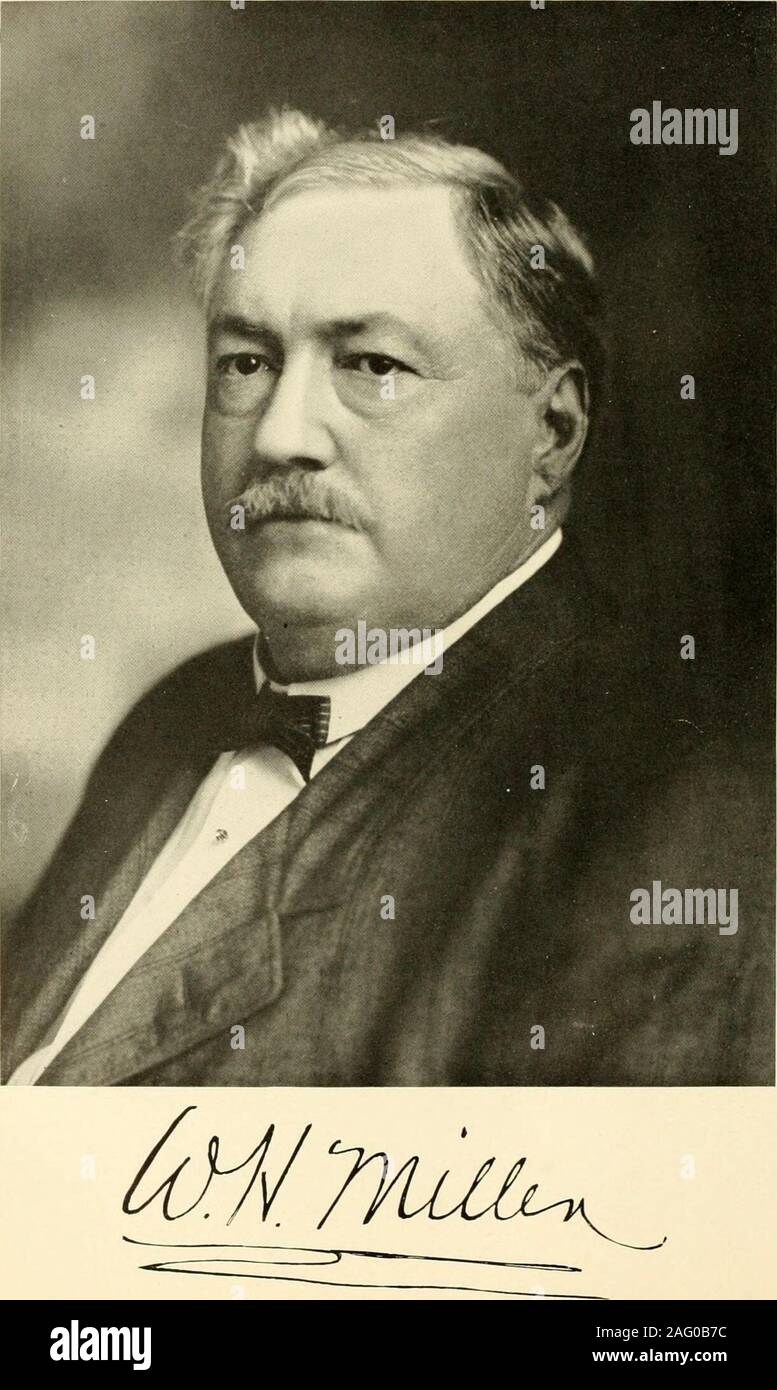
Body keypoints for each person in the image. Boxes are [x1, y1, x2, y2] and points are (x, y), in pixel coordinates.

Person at [3, 110, 771, 1086]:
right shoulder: (171, 719)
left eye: (373, 365)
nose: (281, 434)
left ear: (552, 433)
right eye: (246, 362)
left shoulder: (678, 805)